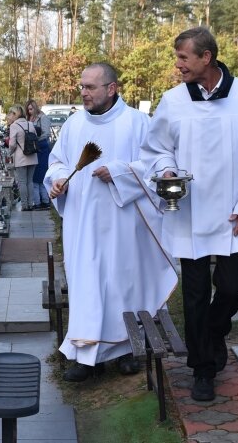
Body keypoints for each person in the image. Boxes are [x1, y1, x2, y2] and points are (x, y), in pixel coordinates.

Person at [140, 27, 238, 402]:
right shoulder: (172, 101)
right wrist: (167, 171)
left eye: (184, 57)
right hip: (190, 211)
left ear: (207, 57)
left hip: (235, 212)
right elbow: (156, 148)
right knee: (196, 291)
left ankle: (215, 332)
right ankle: (202, 369)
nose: (178, 64)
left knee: (232, 288)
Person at [45, 63, 178, 382]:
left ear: (112, 88)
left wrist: (119, 172)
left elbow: (159, 162)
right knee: (87, 283)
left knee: (123, 283)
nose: (84, 92)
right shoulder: (74, 124)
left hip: (124, 223)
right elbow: (57, 163)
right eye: (82, 87)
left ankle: (127, 349)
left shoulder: (138, 123)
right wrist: (60, 180)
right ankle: (86, 354)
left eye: (91, 87)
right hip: (83, 221)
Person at [7, 104, 38, 211]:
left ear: (15, 114)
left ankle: (24, 205)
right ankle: (31, 203)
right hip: (33, 156)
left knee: (22, 182)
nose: (8, 116)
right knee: (30, 181)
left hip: (21, 158)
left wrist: (9, 153)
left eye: (10, 114)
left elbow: (12, 144)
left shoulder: (14, 126)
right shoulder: (30, 124)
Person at [26, 99, 52, 210]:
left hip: (41, 148)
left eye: (31, 109)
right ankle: (38, 200)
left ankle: (44, 201)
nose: (30, 111)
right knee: (34, 175)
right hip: (32, 149)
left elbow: (46, 133)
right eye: (28, 109)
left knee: (40, 175)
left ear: (35, 108)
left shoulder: (43, 118)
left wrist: (35, 139)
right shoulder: (28, 118)